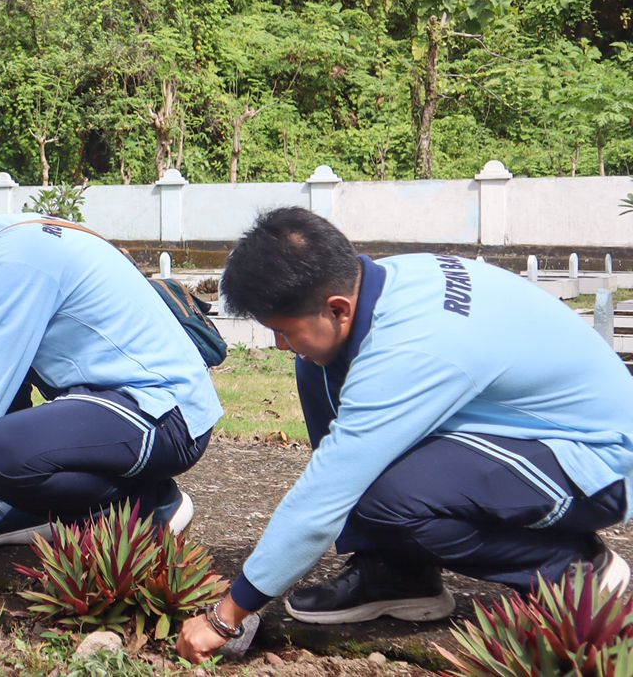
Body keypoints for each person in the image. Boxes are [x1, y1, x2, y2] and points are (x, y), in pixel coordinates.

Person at [178, 207, 633, 663]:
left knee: (378, 494)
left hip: (597, 462)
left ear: (337, 307)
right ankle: (397, 574)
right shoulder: (386, 282)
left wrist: (227, 615)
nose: (279, 343)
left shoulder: (410, 350)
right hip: (530, 431)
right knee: (316, 366)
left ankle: (571, 569)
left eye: (282, 330)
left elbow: (325, 495)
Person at [0, 214, 223, 604]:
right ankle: (44, 508)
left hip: (164, 413)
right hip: (123, 406)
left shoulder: (14, 263)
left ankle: (144, 506)